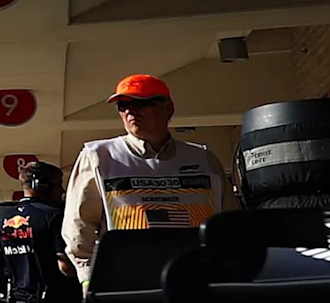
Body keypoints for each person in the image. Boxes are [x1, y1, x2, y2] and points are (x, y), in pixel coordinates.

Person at [60, 75, 231, 283]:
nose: (130, 111)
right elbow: (78, 225)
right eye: (123, 105)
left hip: (196, 280)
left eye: (141, 103)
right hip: (128, 282)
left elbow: (229, 222)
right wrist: (88, 278)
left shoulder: (204, 159)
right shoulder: (99, 156)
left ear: (168, 108)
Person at [0, 160, 77, 303]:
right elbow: (66, 267)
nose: (62, 191)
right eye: (58, 185)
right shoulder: (54, 216)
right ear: (42, 186)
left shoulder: (3, 222)